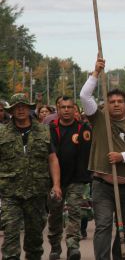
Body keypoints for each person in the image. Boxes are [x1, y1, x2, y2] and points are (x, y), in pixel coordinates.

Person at [80, 57, 125, 260]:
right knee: (103, 225)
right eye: (112, 102)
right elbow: (84, 95)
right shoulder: (99, 118)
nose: (116, 105)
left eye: (120, 102)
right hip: (102, 185)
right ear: (106, 105)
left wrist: (122, 156)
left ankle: (120, 256)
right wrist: (95, 73)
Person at [0, 93, 62, 259]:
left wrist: (56, 185)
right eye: (16, 107)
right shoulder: (2, 132)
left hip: (36, 192)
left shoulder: (43, 130)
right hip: (9, 192)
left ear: (29, 108)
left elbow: (52, 158)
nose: (20, 110)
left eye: (23, 106)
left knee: (34, 239)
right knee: (11, 235)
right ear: (11, 110)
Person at [47, 96, 92, 260]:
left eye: (69, 107)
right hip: (54, 180)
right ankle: (55, 248)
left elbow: (91, 151)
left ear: (75, 109)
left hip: (76, 179)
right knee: (55, 215)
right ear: (57, 110)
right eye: (63, 107)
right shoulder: (50, 129)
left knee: (74, 213)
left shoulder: (83, 128)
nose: (66, 110)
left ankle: (73, 247)